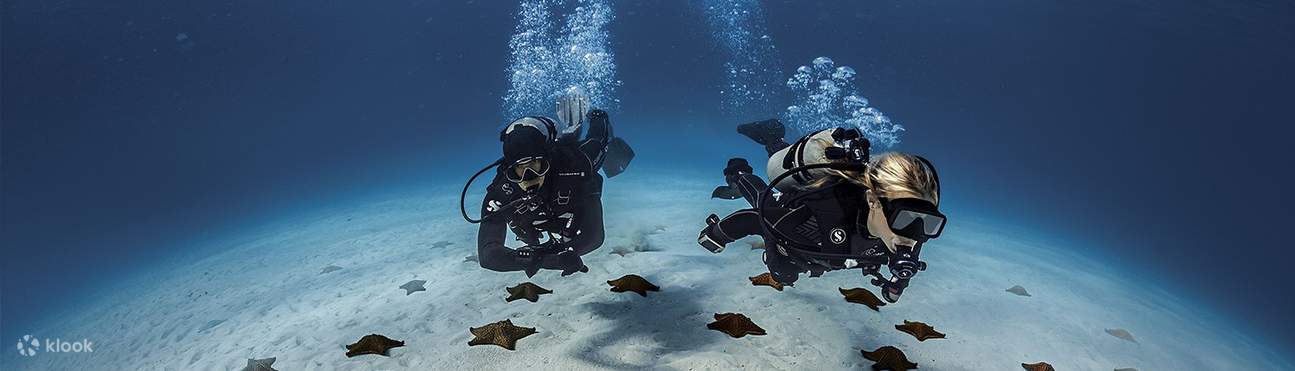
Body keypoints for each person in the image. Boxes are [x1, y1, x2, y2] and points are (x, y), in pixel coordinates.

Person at [698, 119, 945, 303]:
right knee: (763, 200)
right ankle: (739, 172)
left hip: (823, 249)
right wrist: (717, 236)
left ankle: (774, 139)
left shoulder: (910, 233)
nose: (914, 234)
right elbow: (754, 220)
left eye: (929, 223)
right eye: (904, 217)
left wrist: (896, 284)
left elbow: (904, 265)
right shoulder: (826, 214)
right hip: (793, 206)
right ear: (872, 200)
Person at [461, 96, 633, 277]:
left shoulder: (574, 167)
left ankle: (594, 118)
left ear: (549, 160)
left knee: (599, 141)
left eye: (536, 165)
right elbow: (488, 256)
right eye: (519, 170)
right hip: (547, 218)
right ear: (508, 171)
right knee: (572, 141)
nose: (529, 178)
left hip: (570, 160)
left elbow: (594, 236)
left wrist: (557, 253)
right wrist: (552, 259)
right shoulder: (501, 192)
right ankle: (570, 130)